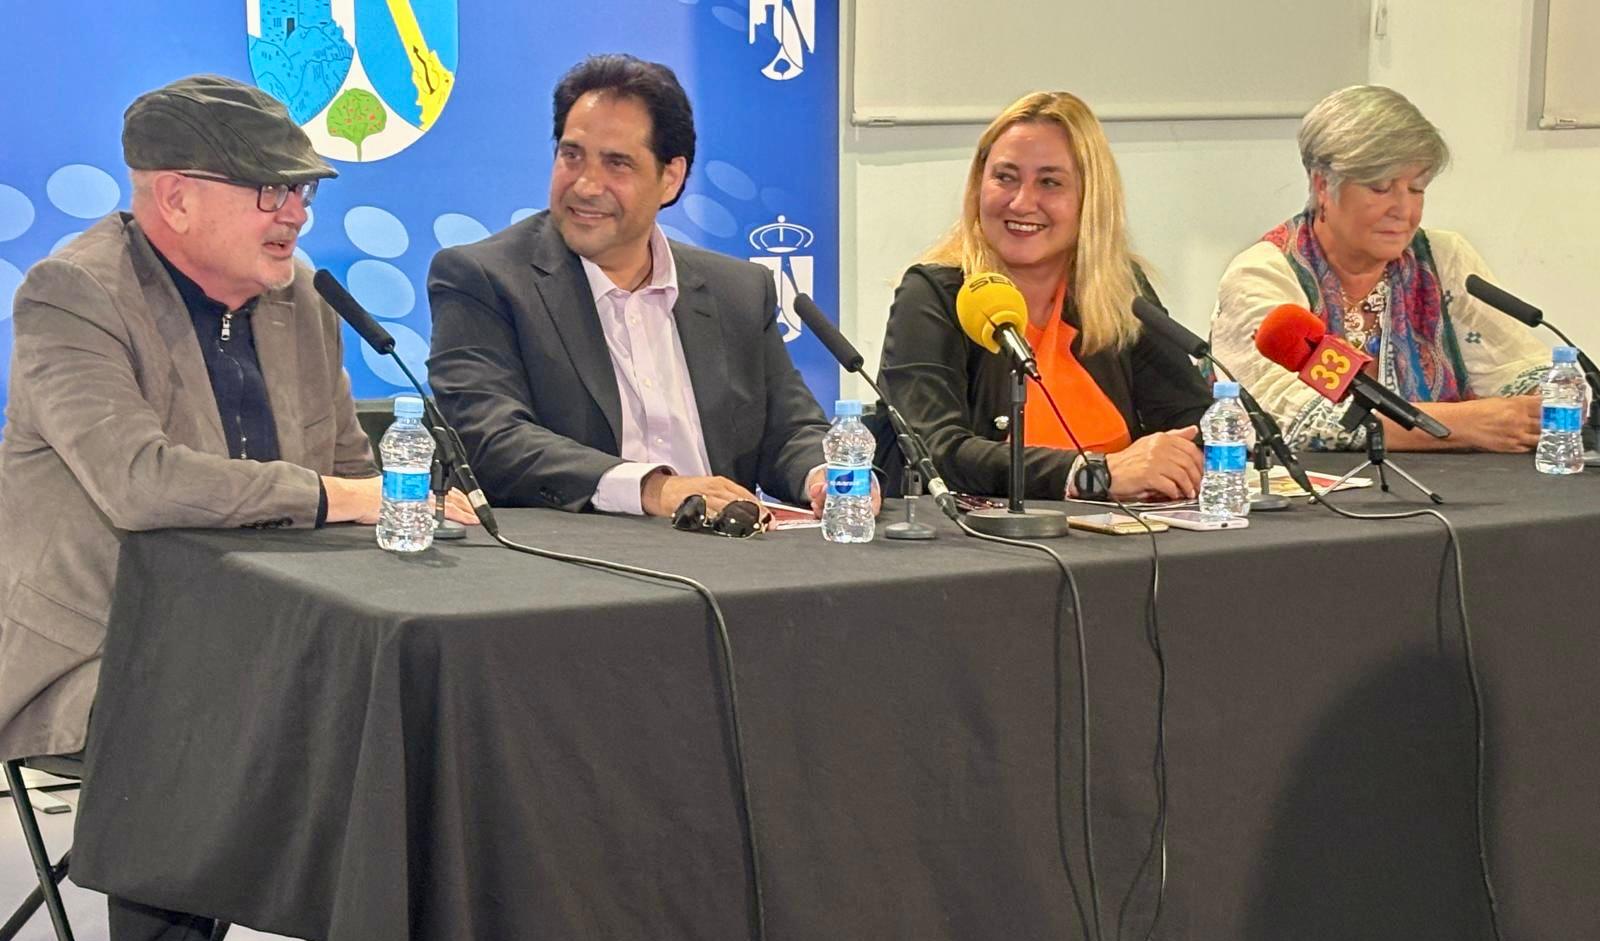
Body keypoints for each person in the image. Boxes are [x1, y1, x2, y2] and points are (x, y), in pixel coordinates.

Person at [0, 75, 474, 941]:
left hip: (277, 635)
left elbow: (353, 464)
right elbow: (139, 483)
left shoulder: (296, 296)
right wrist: (339, 500)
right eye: (272, 189)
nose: (296, 211)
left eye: (301, 189)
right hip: (97, 653)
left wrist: (413, 532)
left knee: (430, 689)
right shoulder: (70, 296)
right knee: (193, 714)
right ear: (175, 198)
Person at [427, 53, 875, 521]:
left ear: (671, 178)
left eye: (617, 164)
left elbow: (788, 430)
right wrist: (651, 489)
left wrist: (827, 474)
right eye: (571, 155)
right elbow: (491, 440)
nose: (585, 185)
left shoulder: (738, 290)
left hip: (733, 559)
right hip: (571, 568)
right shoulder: (482, 279)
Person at [879, 91, 1210, 504]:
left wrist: (1178, 459)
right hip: (987, 549)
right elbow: (935, 451)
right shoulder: (935, 294)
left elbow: (1194, 419)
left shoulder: (1120, 289)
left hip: (1129, 541)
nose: (1022, 202)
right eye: (1005, 177)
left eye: (1050, 182)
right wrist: (1093, 476)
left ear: (1091, 198)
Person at [1211, 84, 1550, 452]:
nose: (1403, 211)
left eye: (1416, 189)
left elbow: (1522, 372)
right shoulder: (1264, 274)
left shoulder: (1444, 258)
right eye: (1380, 188)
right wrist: (1465, 425)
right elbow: (1301, 423)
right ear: (1323, 185)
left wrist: (1549, 398)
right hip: (1313, 503)